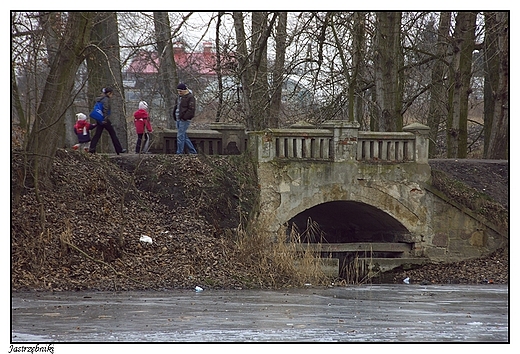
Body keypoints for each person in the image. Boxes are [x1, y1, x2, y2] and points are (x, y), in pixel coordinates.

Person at [88, 87, 127, 154]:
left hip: (100, 119)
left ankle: (92, 148)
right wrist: (105, 119)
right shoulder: (106, 100)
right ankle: (119, 149)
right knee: (112, 133)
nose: (112, 95)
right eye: (111, 94)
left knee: (97, 134)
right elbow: (105, 110)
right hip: (104, 120)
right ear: (109, 93)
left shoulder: (100, 99)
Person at [173, 83, 197, 154]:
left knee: (180, 136)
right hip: (178, 117)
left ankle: (179, 152)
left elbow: (191, 109)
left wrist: (184, 117)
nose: (179, 93)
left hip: (184, 119)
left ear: (184, 90)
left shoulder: (190, 97)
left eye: (180, 91)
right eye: (178, 91)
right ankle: (193, 151)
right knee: (183, 136)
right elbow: (176, 107)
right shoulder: (179, 97)